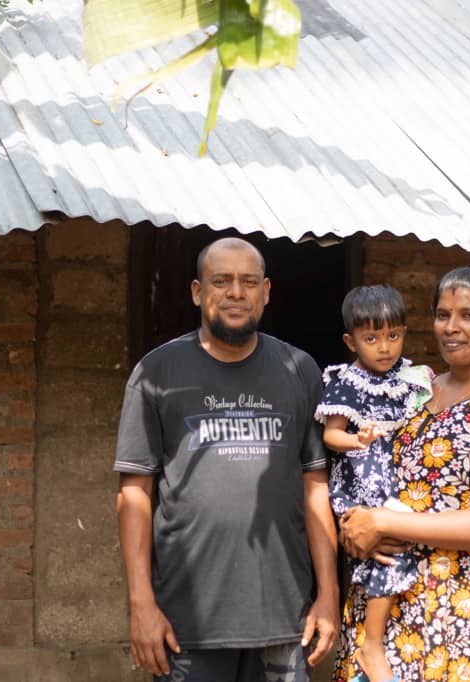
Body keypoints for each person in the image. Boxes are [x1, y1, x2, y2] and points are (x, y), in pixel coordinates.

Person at [114, 237, 340, 682]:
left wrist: (328, 595)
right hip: (188, 622)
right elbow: (134, 494)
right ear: (198, 292)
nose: (236, 292)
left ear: (266, 291)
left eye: (248, 282)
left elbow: (315, 488)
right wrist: (142, 605)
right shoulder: (157, 373)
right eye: (222, 281)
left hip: (282, 617)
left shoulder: (299, 369)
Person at [333, 267, 470, 682]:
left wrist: (384, 522)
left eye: (468, 316)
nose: (451, 327)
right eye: (441, 315)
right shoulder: (415, 387)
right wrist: (355, 521)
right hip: (387, 593)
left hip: (455, 604)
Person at [314, 285, 434, 682]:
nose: (384, 348)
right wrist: (358, 440)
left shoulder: (412, 378)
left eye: (393, 336)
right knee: (387, 552)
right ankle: (373, 646)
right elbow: (331, 436)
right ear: (351, 341)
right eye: (371, 338)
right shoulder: (346, 381)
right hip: (361, 482)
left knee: (397, 546)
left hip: (396, 480)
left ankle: (375, 641)